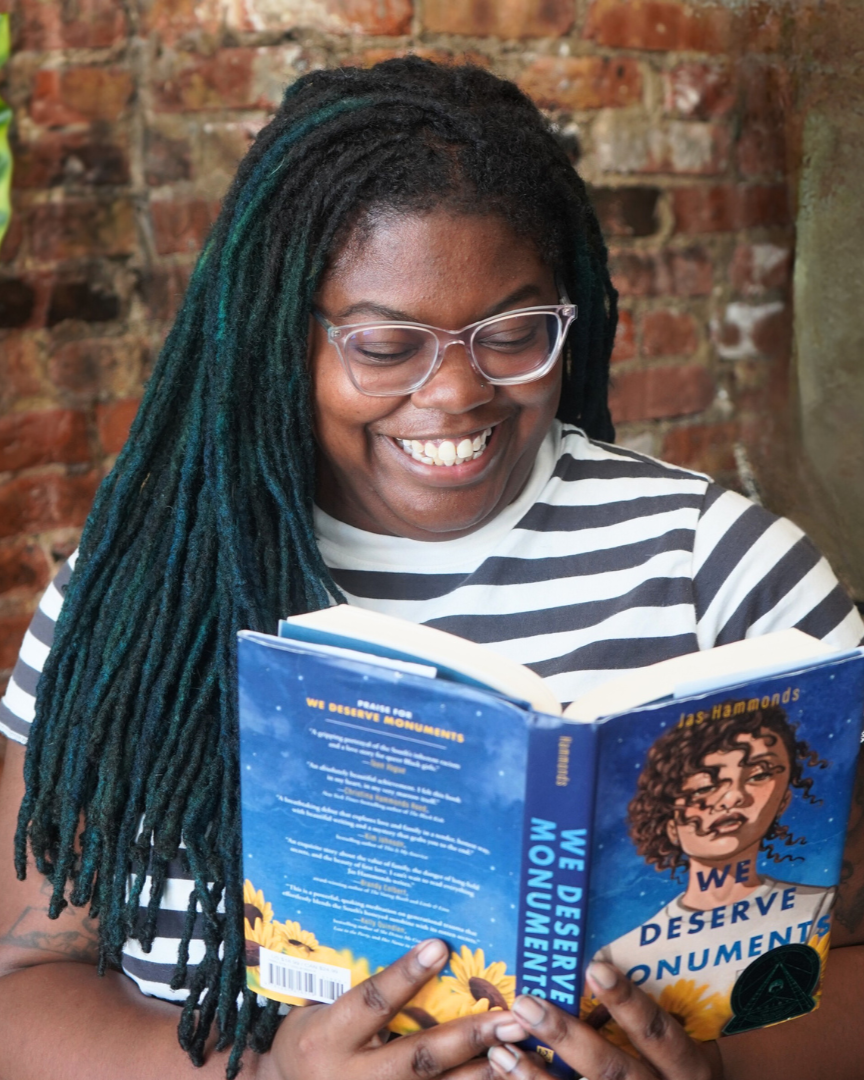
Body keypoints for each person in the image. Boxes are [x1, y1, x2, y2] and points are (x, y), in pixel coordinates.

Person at [0, 58, 862, 1080]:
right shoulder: (137, 596)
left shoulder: (733, 579)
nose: (456, 392)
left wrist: (718, 1073)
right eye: (384, 344)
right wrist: (265, 1078)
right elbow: (20, 984)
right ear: (287, 335)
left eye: (513, 334)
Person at [592, 703, 835, 1033]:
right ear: (668, 816)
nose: (734, 796)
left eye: (760, 774)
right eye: (706, 784)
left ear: (783, 801)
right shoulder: (617, 954)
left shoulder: (818, 910)